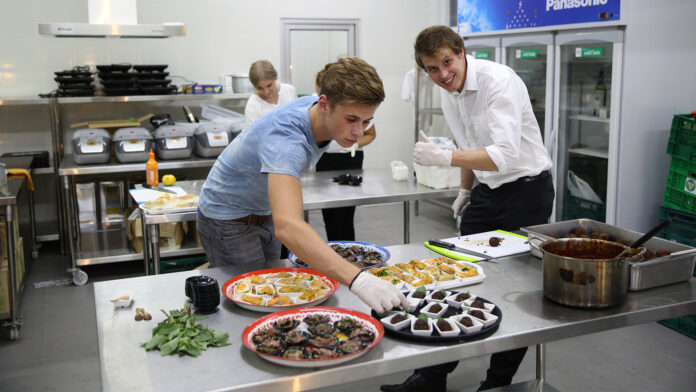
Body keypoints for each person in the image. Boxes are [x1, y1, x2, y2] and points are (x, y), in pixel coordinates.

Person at [381, 25, 554, 392]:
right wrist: (464, 190)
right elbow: (471, 146)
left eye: (447, 63)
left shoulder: (498, 81)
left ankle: (496, 383)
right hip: (486, 192)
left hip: (526, 191)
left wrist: (443, 156)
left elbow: (505, 156)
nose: (442, 75)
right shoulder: (450, 92)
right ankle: (432, 376)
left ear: (461, 52)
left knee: (517, 289)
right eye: (432, 69)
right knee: (457, 279)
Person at [197, 57, 408, 314]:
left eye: (366, 122)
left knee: (274, 293)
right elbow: (288, 226)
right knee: (251, 301)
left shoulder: (320, 109)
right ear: (324, 104)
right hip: (227, 218)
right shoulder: (287, 139)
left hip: (263, 213)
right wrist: (359, 279)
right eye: (351, 119)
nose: (358, 132)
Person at [313, 63, 377, 241]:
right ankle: (334, 248)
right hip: (325, 159)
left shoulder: (358, 109)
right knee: (329, 211)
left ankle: (347, 252)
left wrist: (353, 144)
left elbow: (371, 134)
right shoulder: (317, 105)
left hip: (350, 160)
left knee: (345, 214)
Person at [244, 59, 297, 125]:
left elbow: (297, 120)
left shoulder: (289, 91)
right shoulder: (253, 105)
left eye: (269, 85)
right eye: (260, 88)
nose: (266, 92)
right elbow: (254, 134)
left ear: (275, 77)